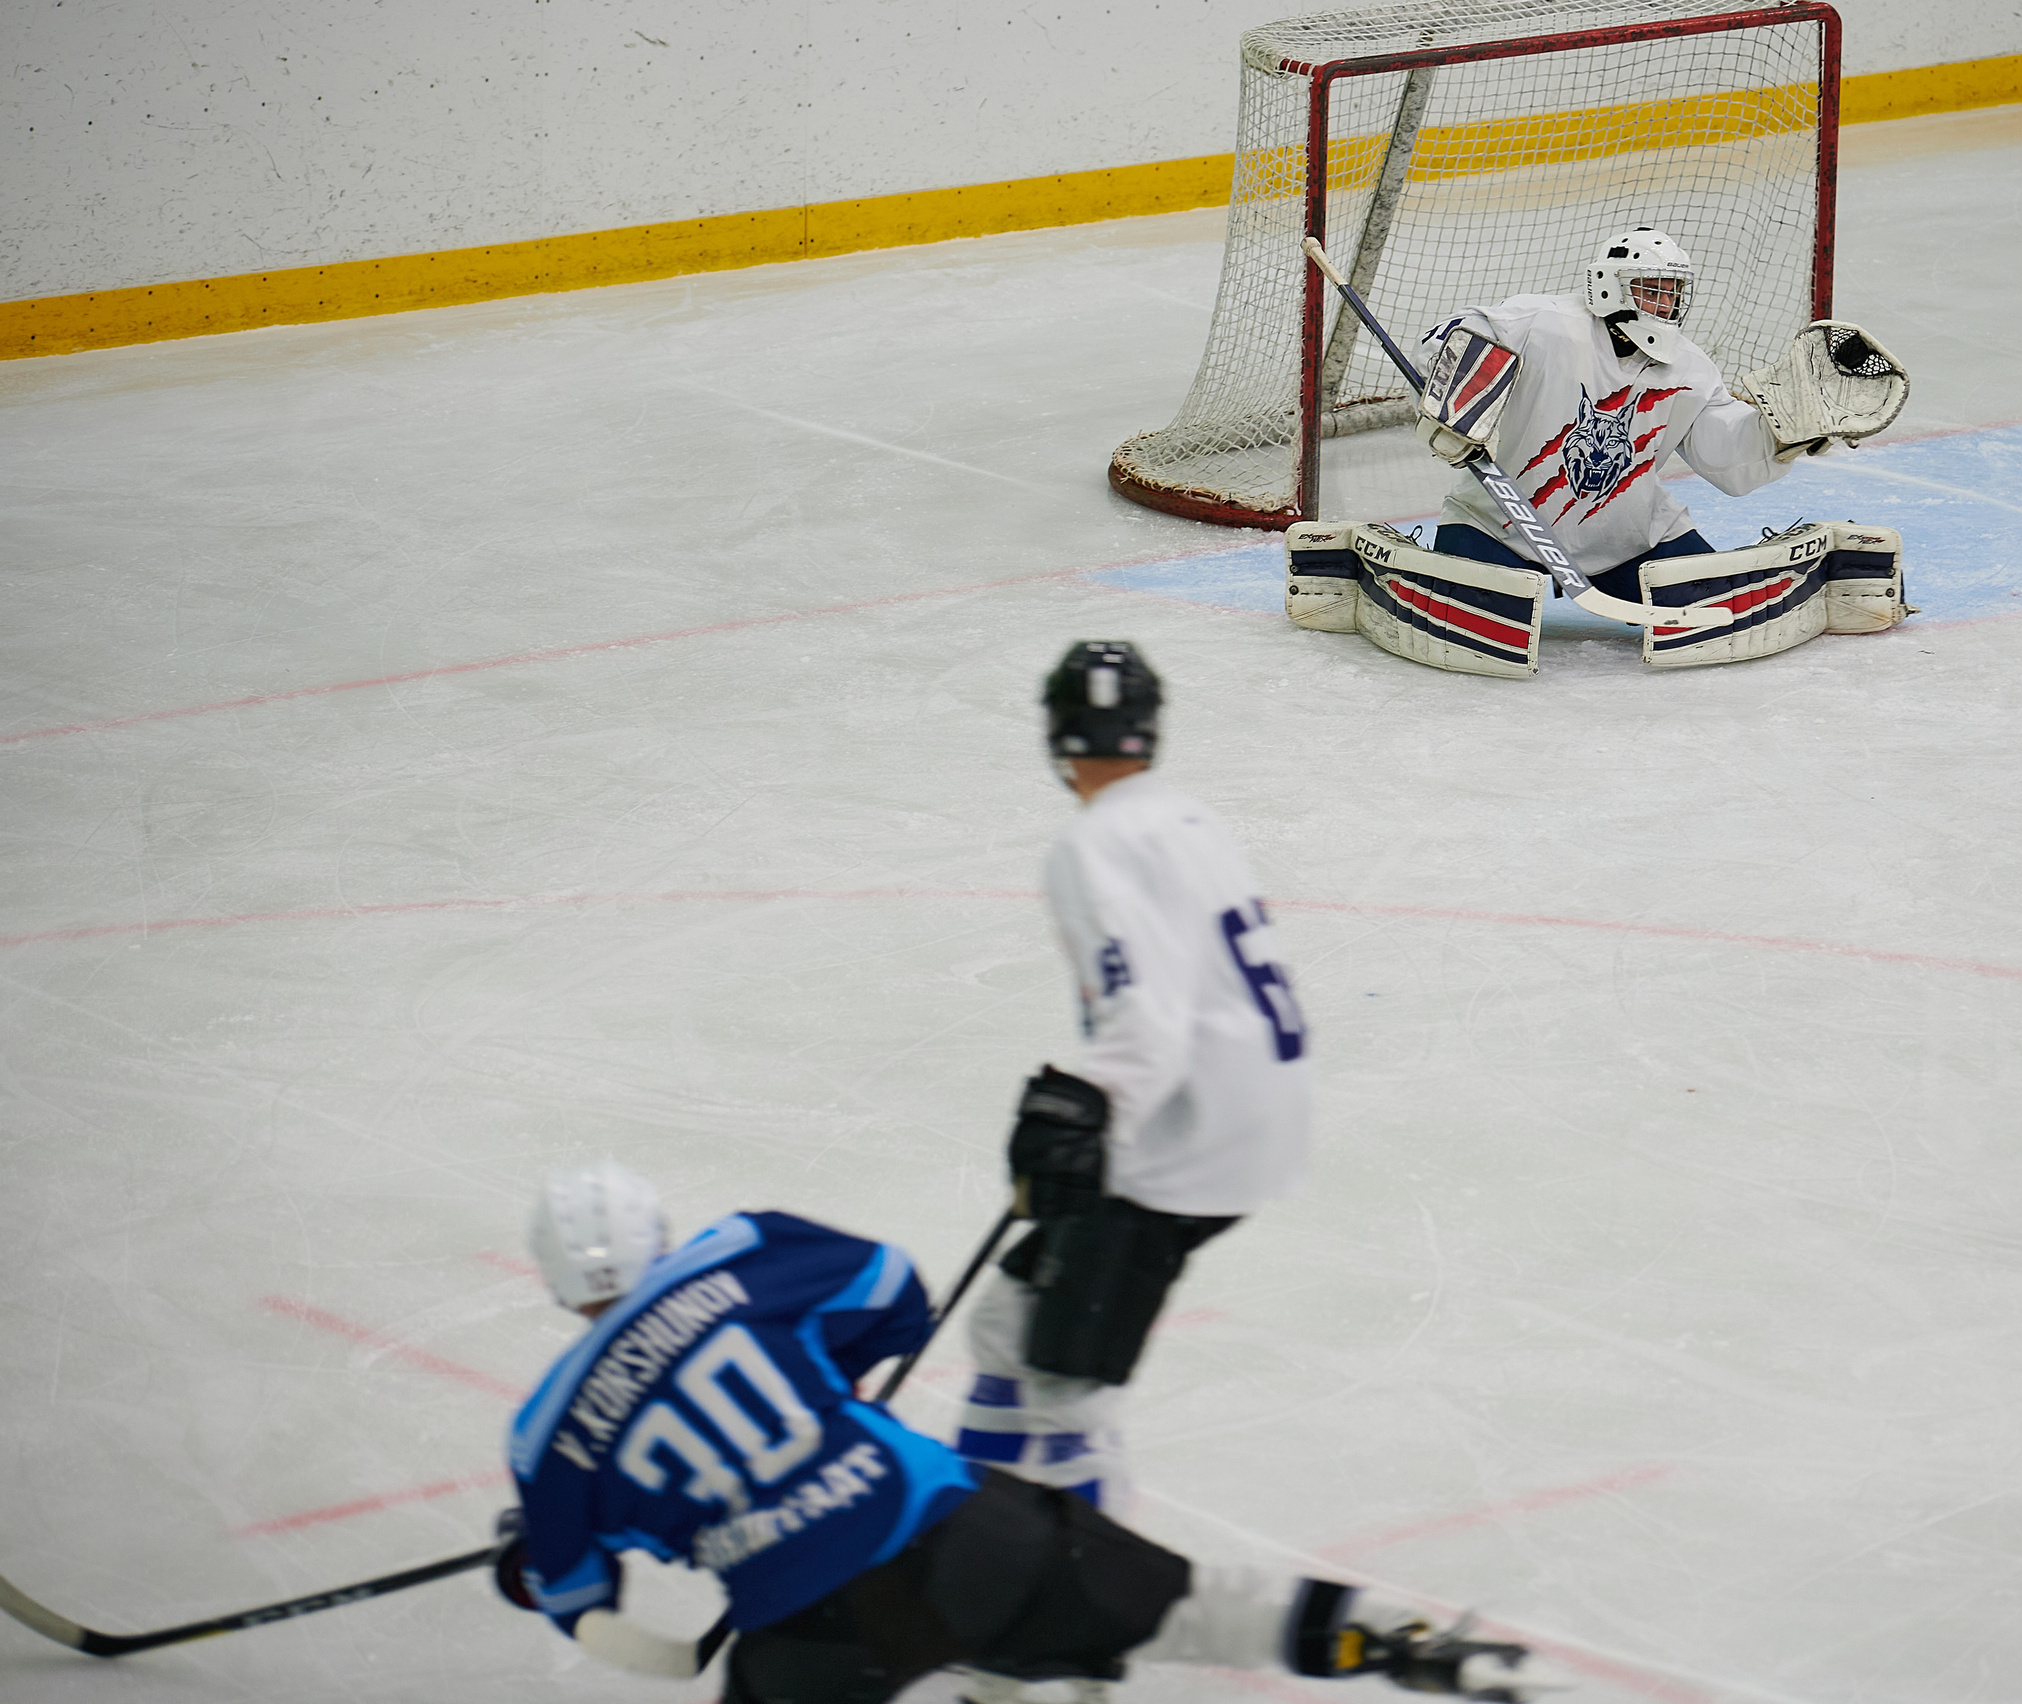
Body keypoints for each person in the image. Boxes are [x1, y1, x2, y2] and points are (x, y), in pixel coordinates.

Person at [493, 1162, 1552, 1704]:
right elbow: (900, 1298)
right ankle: (1397, 1638)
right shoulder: (745, 1250)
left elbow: (623, 1635)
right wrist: (823, 1385)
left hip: (808, 1639)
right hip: (960, 1540)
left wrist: (532, 1565)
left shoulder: (546, 1436)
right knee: (1189, 1611)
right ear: (661, 1237)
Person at [952, 640, 1312, 1513]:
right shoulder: (1185, 818)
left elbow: (1147, 1016)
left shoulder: (1094, 846)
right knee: (1006, 1325)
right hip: (1248, 1115)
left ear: (1057, 733)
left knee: (1067, 1378)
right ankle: (965, 1542)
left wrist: (1081, 1112)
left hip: (1184, 1144)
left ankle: (1070, 1591)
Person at [1419, 225, 1799, 609]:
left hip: (1629, 542)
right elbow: (1448, 338)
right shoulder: (1543, 324)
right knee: (1471, 612)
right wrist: (1455, 397)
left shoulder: (1690, 369)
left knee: (1718, 606)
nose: (1665, 305)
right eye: (1653, 290)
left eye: (1673, 292)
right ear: (1609, 286)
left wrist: (1785, 432)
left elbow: (1729, 455)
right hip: (1499, 529)